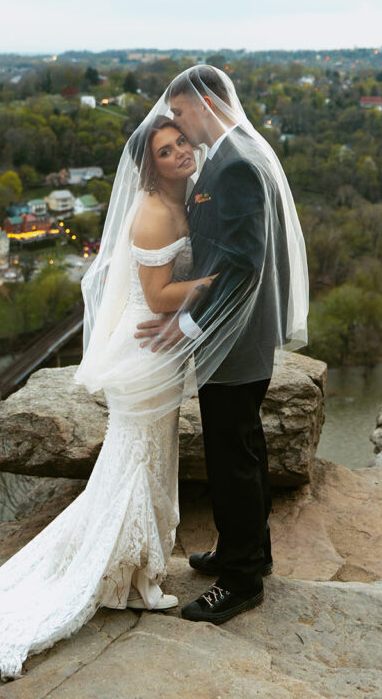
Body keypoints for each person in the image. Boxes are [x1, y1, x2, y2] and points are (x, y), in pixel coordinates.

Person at [0, 118, 215, 680]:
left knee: (149, 458)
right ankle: (127, 574)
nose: (179, 153)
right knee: (140, 460)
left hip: (157, 353)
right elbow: (156, 296)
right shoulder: (154, 213)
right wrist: (212, 280)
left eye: (181, 143)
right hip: (147, 352)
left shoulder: (182, 201)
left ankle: (134, 573)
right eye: (165, 149)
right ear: (149, 166)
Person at [135, 65, 308, 625]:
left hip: (233, 337)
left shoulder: (234, 164)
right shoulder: (238, 152)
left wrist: (185, 326)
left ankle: (241, 582)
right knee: (244, 449)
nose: (179, 126)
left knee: (231, 457)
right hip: (239, 335)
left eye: (181, 114)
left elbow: (238, 265)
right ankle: (248, 552)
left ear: (205, 102)